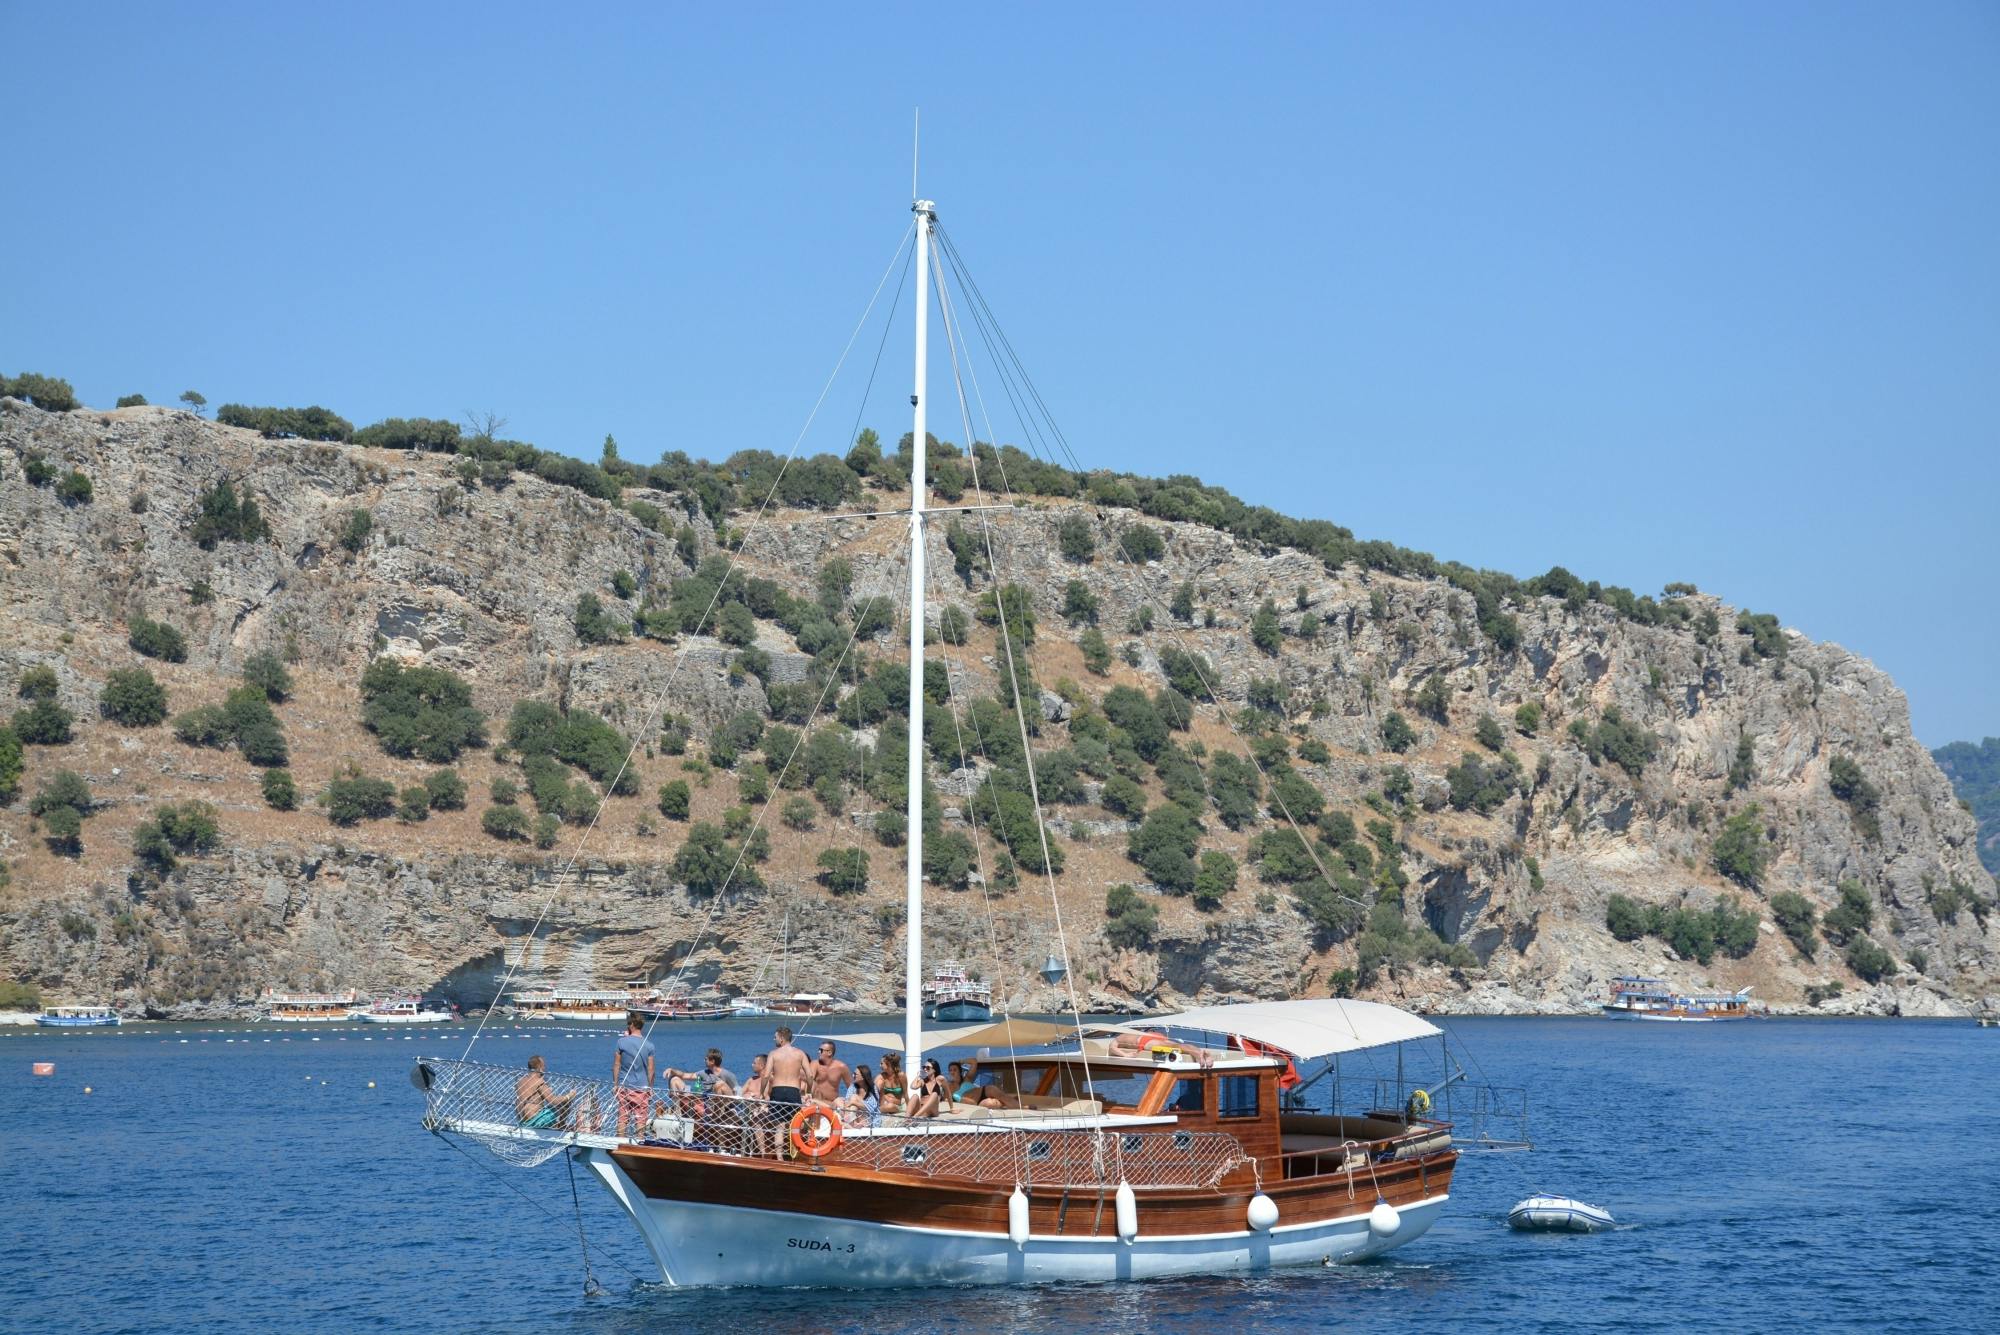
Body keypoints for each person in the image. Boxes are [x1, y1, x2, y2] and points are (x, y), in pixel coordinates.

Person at [611, 1013, 656, 1138]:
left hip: (624, 1086)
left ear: (631, 1025)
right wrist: (650, 1087)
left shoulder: (621, 1042)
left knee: (622, 1116)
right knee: (641, 1118)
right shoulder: (649, 1045)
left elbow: (616, 1065)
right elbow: (651, 1069)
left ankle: (620, 1142)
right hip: (642, 1087)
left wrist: (615, 1084)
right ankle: (639, 1142)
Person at [514, 1055, 576, 1129]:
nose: (544, 1069)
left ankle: (557, 1125)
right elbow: (553, 1101)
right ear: (540, 1067)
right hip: (535, 1121)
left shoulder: (520, 1081)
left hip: (522, 1121)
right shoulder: (539, 1082)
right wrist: (570, 1095)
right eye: (544, 1066)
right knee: (564, 1102)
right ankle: (561, 1126)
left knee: (547, 1107)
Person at [764, 1025, 811, 1114]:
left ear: (781, 1038)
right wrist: (809, 1091)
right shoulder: (800, 1053)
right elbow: (810, 1075)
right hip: (793, 1091)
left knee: (777, 1121)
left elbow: (766, 1076)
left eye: (775, 1037)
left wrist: (762, 1092)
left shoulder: (773, 1054)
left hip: (777, 1091)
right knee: (794, 1121)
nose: (774, 1039)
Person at [809, 1039, 851, 1109]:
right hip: (818, 1100)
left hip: (833, 1101)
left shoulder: (841, 1067)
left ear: (829, 1053)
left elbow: (851, 1088)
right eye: (819, 1050)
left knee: (842, 1104)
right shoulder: (815, 1064)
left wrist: (848, 1101)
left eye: (821, 1050)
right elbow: (809, 1078)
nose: (818, 1052)